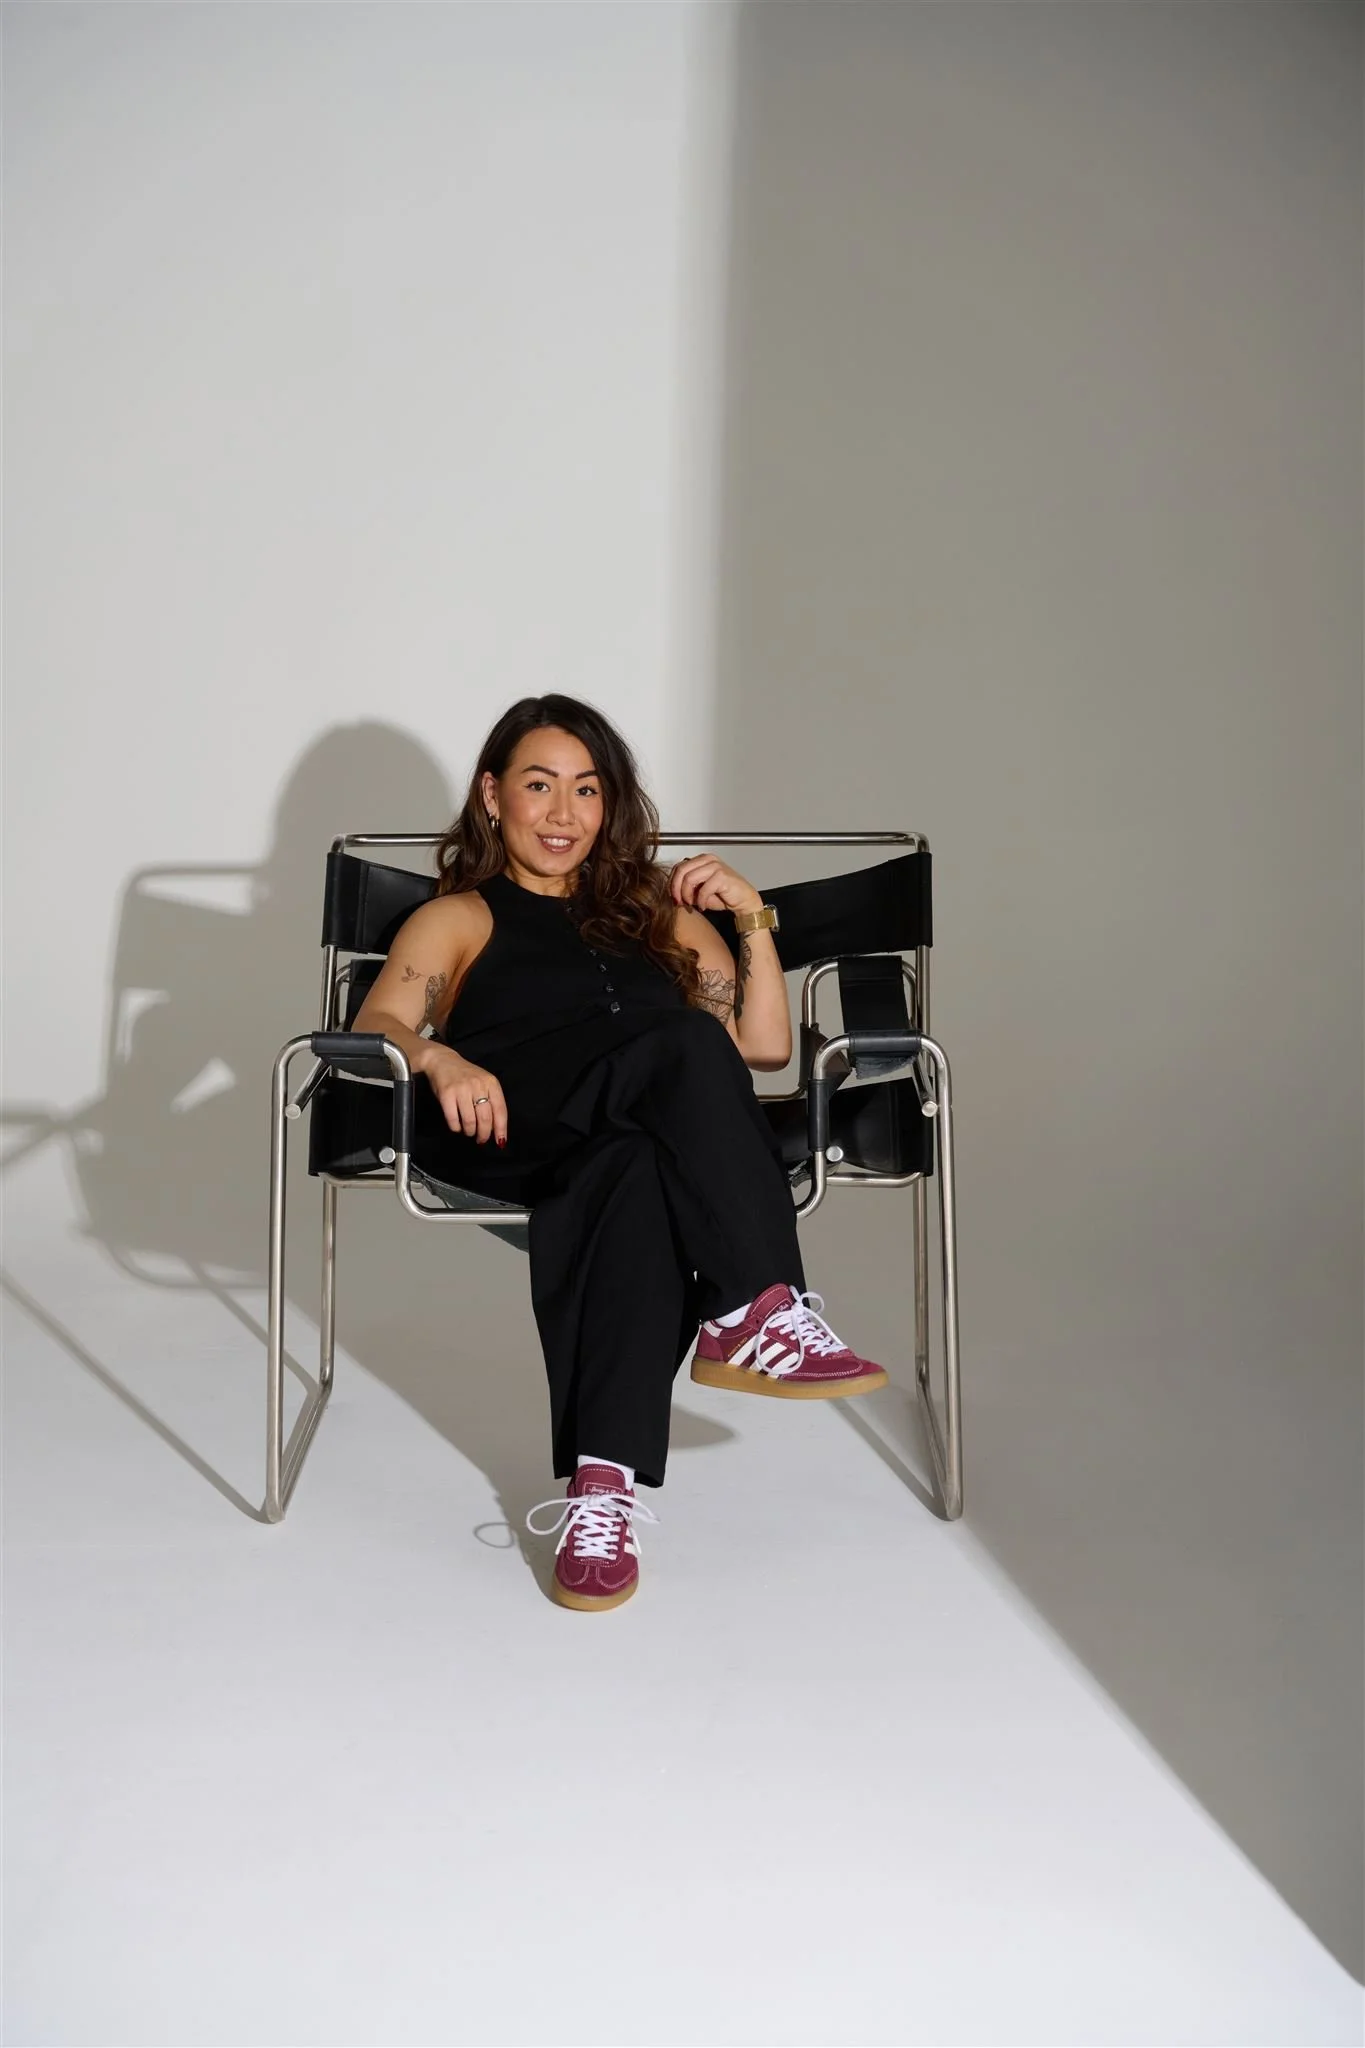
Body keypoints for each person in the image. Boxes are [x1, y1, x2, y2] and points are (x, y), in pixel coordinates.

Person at [351, 695, 890, 1612]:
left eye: (587, 790)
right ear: (492, 796)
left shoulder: (656, 917)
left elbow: (761, 1049)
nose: (563, 814)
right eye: (538, 785)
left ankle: (601, 1489)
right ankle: (755, 1307)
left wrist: (751, 916)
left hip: (603, 1141)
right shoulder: (461, 916)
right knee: (680, 1042)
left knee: (633, 1171)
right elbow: (378, 1022)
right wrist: (438, 1056)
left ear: (611, 807)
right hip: (505, 1124)